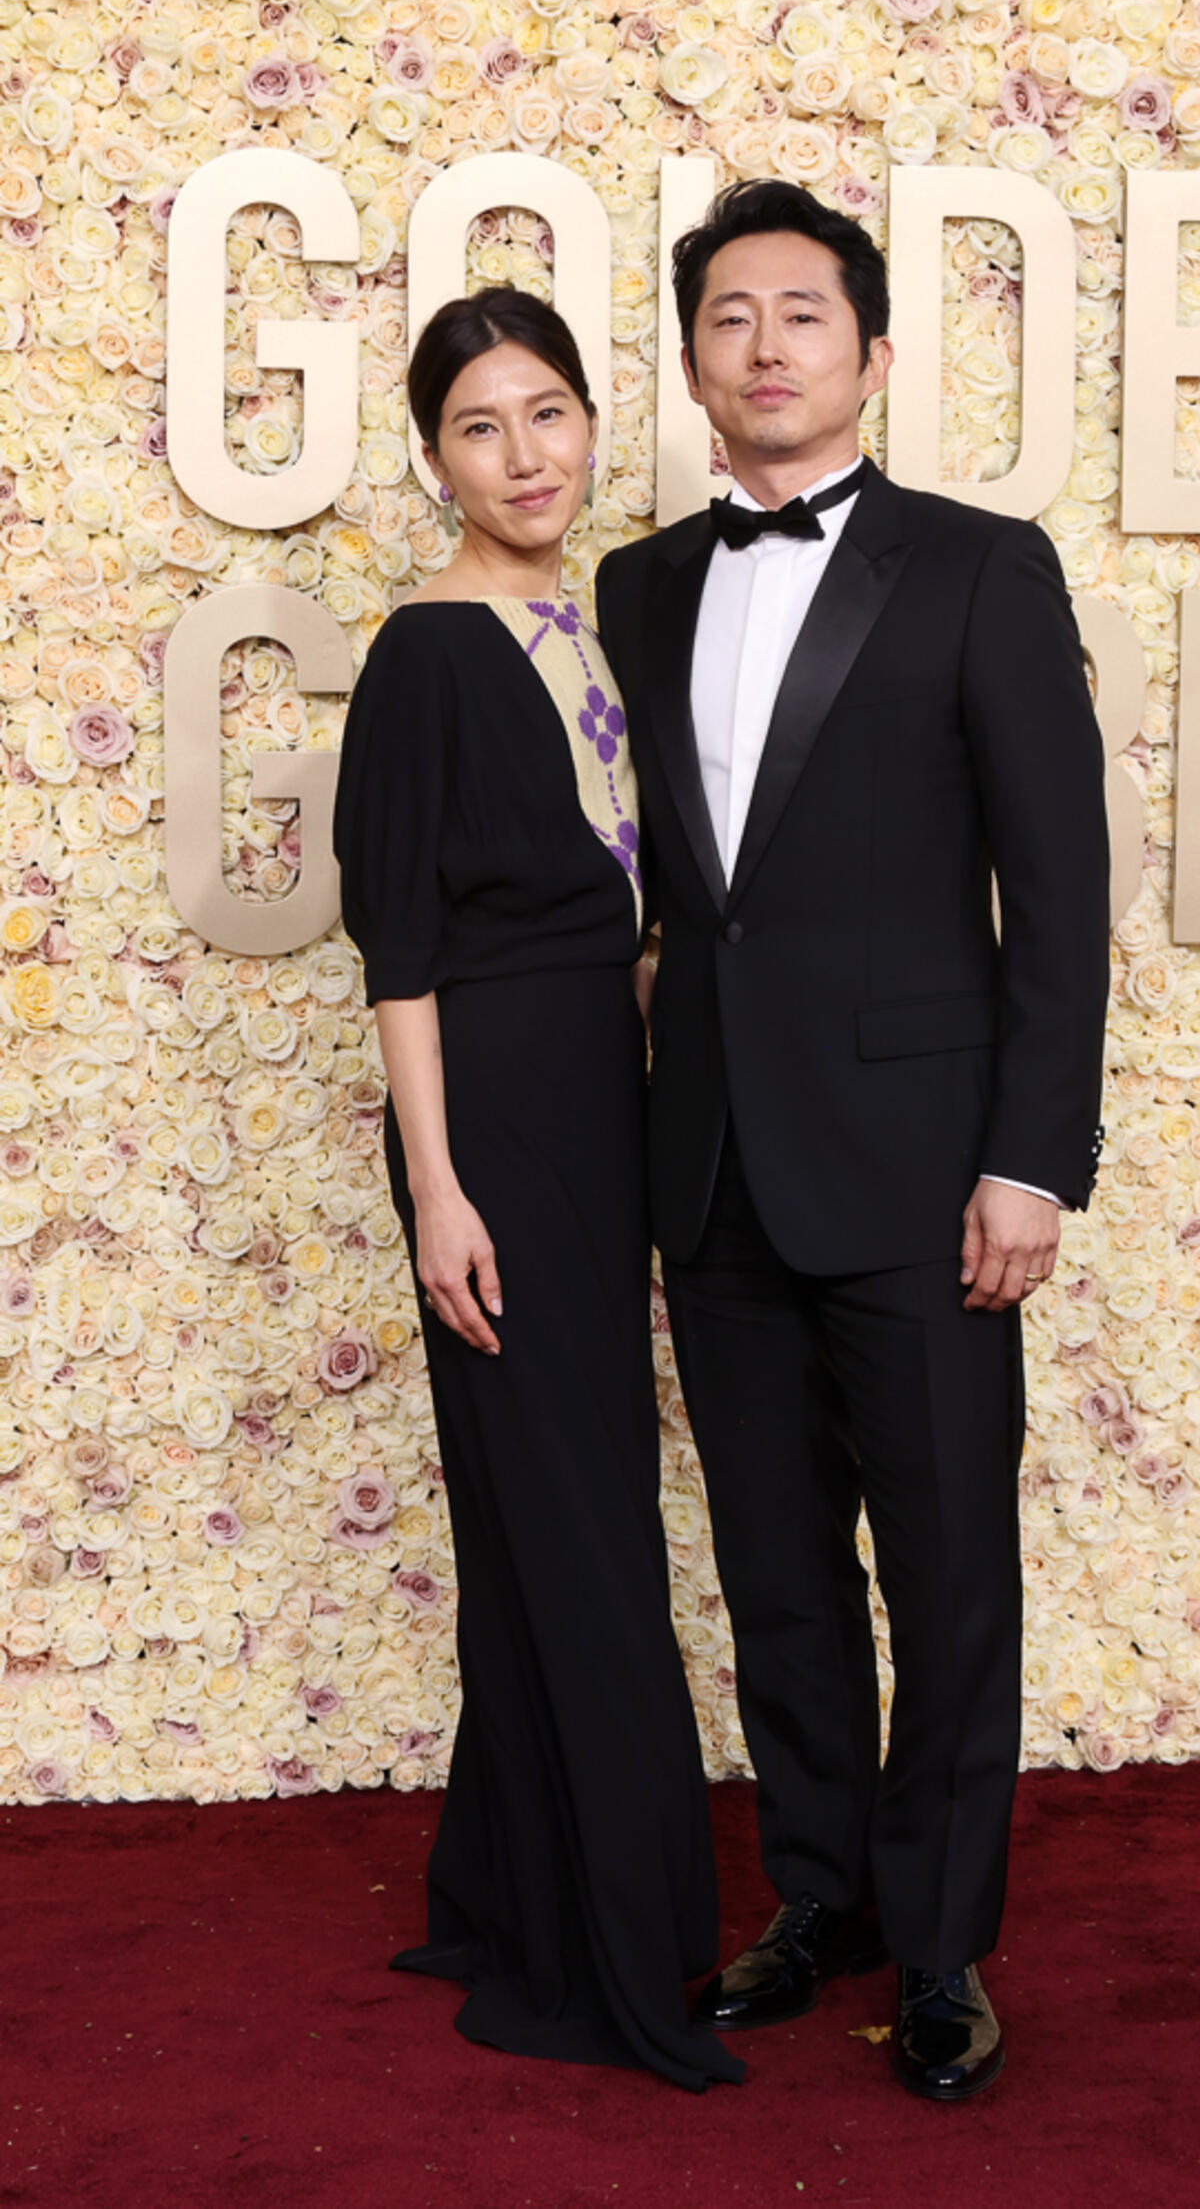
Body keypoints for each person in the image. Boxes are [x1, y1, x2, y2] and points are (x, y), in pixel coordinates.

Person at [595, 181, 1110, 2103]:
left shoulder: (983, 566)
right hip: (712, 1154)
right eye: (732, 317)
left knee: (951, 1561)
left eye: (804, 315)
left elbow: (1059, 891)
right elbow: (664, 881)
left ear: (870, 353)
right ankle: (821, 1893)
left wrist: (1033, 1158)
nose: (768, 347)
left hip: (924, 1166)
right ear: (698, 359)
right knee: (777, 1562)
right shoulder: (638, 587)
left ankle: (950, 1941)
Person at [331, 285, 741, 2094]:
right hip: (493, 1112)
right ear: (435, 458)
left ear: (593, 425)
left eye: (553, 414)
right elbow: (399, 949)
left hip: (607, 1093)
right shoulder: (424, 651)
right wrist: (438, 1186)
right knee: (576, 1519)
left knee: (557, 1508)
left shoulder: (608, 625)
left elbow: (635, 907)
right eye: (484, 427)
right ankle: (620, 1957)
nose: (528, 456)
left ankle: (521, 1887)